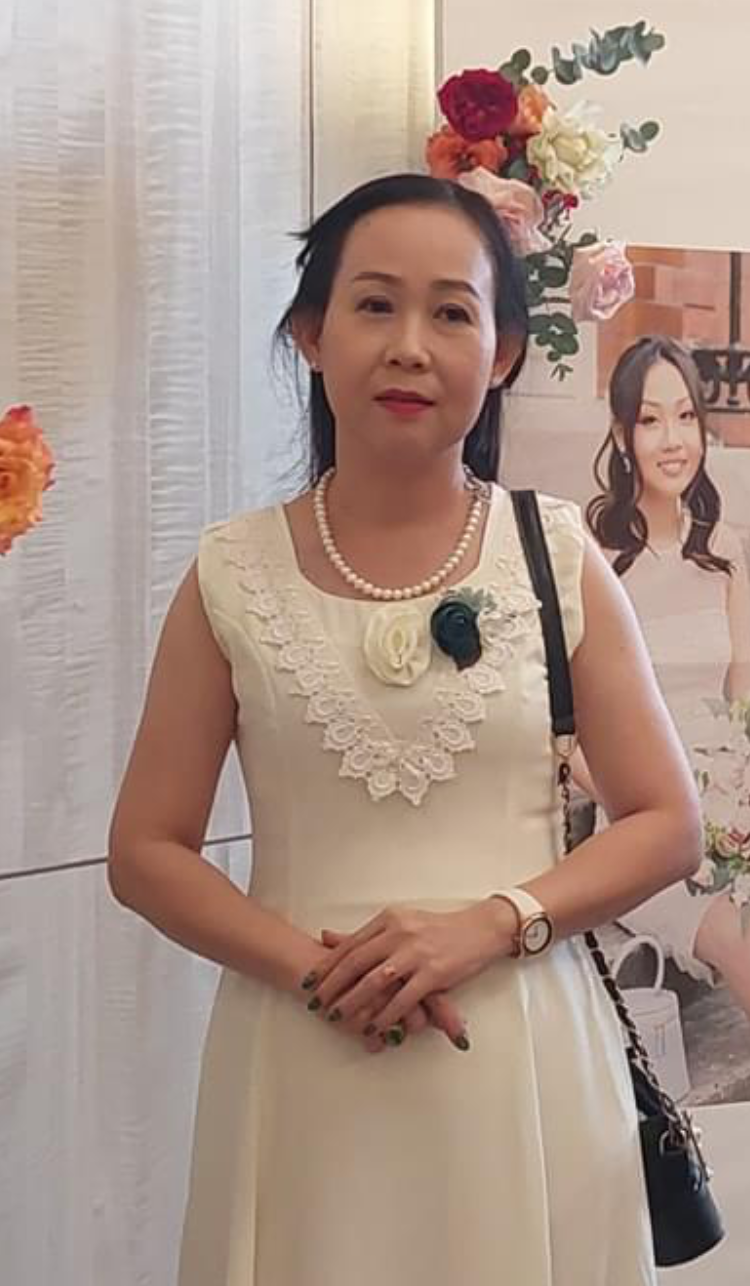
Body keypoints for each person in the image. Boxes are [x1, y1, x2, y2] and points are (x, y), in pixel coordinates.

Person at [108, 175, 701, 1286]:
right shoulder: (230, 572)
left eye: (452, 312)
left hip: (525, 1057)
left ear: (505, 352)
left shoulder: (556, 552)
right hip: (301, 1059)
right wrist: (317, 971)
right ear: (310, 334)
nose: (411, 346)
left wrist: (490, 924)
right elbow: (145, 849)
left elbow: (668, 823)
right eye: (375, 304)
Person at [586, 334, 750, 1017]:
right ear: (623, 437)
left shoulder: (724, 551)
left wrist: (733, 803)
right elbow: (568, 737)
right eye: (651, 421)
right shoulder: (594, 562)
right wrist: (662, 802)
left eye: (686, 417)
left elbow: (742, 700)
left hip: (730, 812)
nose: (674, 440)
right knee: (737, 939)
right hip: (643, 829)